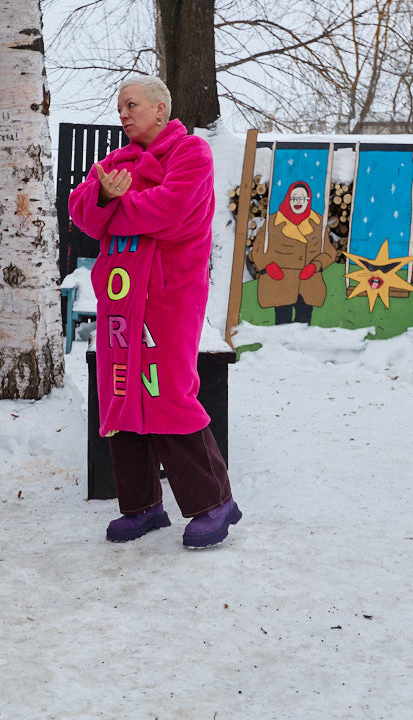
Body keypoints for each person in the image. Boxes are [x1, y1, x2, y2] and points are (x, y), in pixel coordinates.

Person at [69, 75, 242, 549]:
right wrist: (103, 198)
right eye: (119, 106)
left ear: (161, 108)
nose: (123, 114)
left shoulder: (191, 154)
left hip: (168, 299)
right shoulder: (112, 164)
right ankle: (142, 507)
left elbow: (171, 210)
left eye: (132, 104)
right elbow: (82, 214)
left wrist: (113, 207)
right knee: (119, 393)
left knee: (168, 393)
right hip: (121, 300)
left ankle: (215, 502)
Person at [250, 180, 337, 324]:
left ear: (308, 200)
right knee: (282, 323)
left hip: (308, 283)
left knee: (303, 324)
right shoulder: (273, 221)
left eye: (302, 198)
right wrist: (267, 266)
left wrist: (315, 265)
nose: (298, 201)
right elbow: (258, 250)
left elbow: (329, 252)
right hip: (281, 282)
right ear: (288, 199)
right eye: (295, 197)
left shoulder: (317, 222)